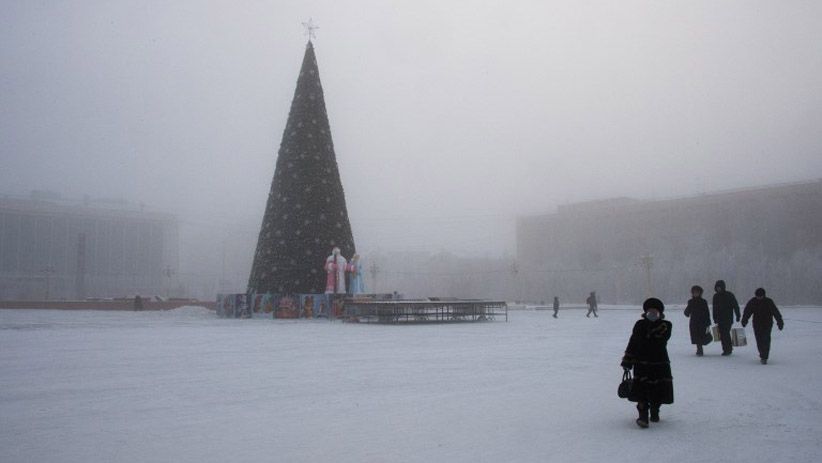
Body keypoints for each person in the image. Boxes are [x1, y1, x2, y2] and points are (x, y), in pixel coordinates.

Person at [621, 297, 674, 428]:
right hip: (641, 362)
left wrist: (649, 331)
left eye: (655, 311)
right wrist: (627, 360)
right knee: (641, 390)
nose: (652, 314)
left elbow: (660, 340)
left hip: (659, 362)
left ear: (660, 313)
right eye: (649, 311)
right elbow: (633, 342)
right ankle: (643, 416)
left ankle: (655, 410)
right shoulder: (639, 324)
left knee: (658, 389)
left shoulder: (665, 325)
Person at [741, 288, 784, 365]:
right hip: (757, 324)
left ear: (763, 295)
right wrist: (744, 320)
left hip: (767, 324)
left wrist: (780, 322)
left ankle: (765, 356)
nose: (759, 298)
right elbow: (747, 312)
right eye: (757, 296)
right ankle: (762, 354)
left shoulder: (769, 302)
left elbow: (775, 312)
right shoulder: (752, 302)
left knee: (766, 340)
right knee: (759, 340)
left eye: (760, 296)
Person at [712, 280, 740, 356]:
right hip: (719, 319)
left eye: (720, 287)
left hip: (728, 318)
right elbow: (714, 308)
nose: (718, 289)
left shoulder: (729, 295)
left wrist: (738, 315)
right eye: (717, 287)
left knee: (725, 333)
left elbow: (735, 306)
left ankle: (727, 349)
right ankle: (726, 348)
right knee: (722, 334)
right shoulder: (715, 296)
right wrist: (714, 317)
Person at [684, 285, 711, 356]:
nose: (695, 294)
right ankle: (699, 349)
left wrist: (708, 322)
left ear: (700, 293)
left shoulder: (703, 302)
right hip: (694, 322)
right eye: (694, 292)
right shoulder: (691, 302)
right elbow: (687, 311)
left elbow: (707, 312)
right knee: (695, 336)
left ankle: (700, 349)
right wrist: (687, 312)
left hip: (702, 322)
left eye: (697, 292)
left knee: (701, 335)